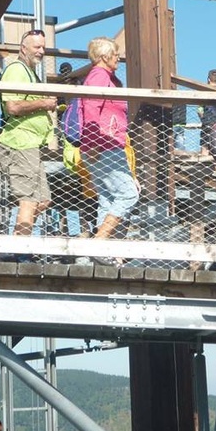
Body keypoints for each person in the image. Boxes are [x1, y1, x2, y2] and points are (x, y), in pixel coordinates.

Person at [0, 29, 57, 257]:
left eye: (43, 47)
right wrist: (44, 103)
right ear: (23, 48)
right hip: (19, 142)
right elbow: (13, 107)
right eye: (37, 47)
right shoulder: (16, 70)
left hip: (31, 145)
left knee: (43, 200)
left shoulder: (29, 72)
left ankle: (15, 245)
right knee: (29, 201)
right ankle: (19, 252)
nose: (41, 51)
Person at [80, 37, 140, 264]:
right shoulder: (99, 76)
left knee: (107, 198)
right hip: (103, 145)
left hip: (104, 145)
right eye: (115, 54)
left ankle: (104, 251)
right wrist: (94, 142)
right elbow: (91, 109)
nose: (118, 58)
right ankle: (99, 242)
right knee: (128, 194)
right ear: (105, 57)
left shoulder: (105, 78)